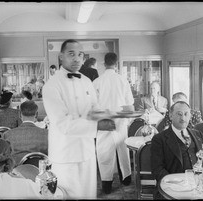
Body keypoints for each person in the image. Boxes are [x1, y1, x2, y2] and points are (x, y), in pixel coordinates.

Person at [42, 39, 99, 199]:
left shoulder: (87, 82)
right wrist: (98, 125)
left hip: (87, 151)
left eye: (80, 54)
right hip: (64, 155)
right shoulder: (51, 86)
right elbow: (63, 123)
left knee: (89, 195)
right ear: (61, 56)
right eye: (71, 54)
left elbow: (95, 109)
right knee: (67, 196)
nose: (76, 58)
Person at [93, 52, 134, 194]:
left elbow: (93, 106)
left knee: (104, 152)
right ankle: (126, 179)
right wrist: (127, 121)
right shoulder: (123, 80)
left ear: (104, 64)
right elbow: (130, 106)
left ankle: (106, 185)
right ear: (116, 64)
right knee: (123, 149)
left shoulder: (97, 82)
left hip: (104, 121)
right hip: (120, 120)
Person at [151, 101, 203, 198]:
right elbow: (157, 169)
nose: (183, 118)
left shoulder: (198, 134)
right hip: (172, 188)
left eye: (186, 114)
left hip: (198, 186)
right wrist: (176, 183)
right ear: (170, 115)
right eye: (179, 114)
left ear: (190, 116)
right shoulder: (159, 139)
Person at [3, 100, 48, 165]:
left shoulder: (7, 135)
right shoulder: (46, 134)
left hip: (15, 172)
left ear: (19, 114)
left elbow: (5, 158)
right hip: (39, 172)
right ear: (36, 114)